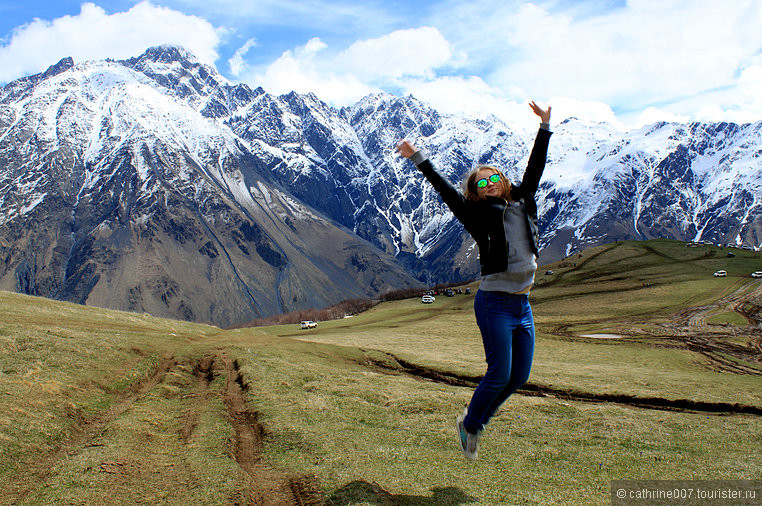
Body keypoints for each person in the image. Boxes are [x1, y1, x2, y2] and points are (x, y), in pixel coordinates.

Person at [396, 101, 552, 460]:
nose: (488, 184)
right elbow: (445, 191)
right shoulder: (476, 217)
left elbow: (536, 166)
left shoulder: (524, 199)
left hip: (522, 303)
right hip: (495, 301)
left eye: (493, 177)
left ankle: (476, 421)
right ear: (477, 192)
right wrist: (418, 157)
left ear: (504, 181)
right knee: (499, 373)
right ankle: (470, 425)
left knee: (519, 377)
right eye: (481, 183)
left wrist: (544, 127)